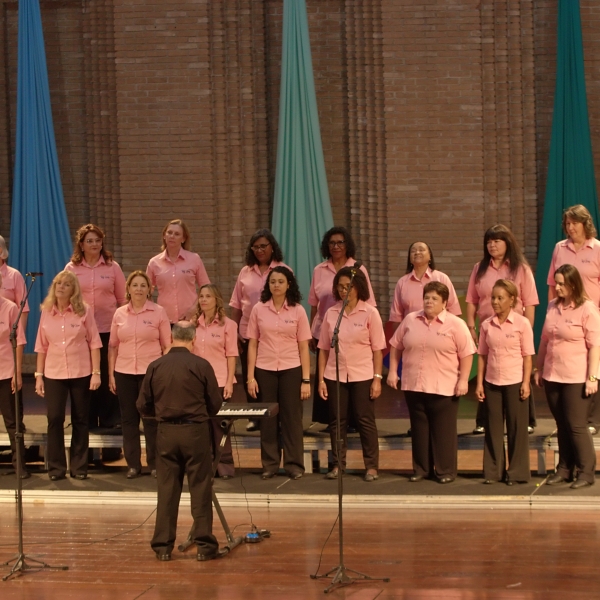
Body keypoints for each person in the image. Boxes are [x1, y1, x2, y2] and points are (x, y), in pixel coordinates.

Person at [137, 321, 223, 561]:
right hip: (195, 432)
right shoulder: (201, 365)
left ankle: (163, 547)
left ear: (171, 338)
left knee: (166, 490)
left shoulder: (155, 366)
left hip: (165, 433)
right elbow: (215, 404)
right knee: (200, 488)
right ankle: (205, 547)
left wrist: (161, 414)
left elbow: (142, 404)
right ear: (194, 340)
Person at [388, 282, 476, 484]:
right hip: (414, 385)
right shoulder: (411, 319)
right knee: (419, 430)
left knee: (443, 432)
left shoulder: (456, 324)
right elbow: (395, 346)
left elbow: (467, 354)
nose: (429, 301)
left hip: (444, 387)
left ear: (444, 303)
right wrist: (392, 371)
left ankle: (445, 471)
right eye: (426, 297)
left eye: (434, 298)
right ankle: (422, 469)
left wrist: (463, 380)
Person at [466, 224, 539, 434]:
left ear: (508, 243)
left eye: (497, 241)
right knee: (488, 372)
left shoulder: (520, 268)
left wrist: (527, 329)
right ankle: (484, 420)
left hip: (515, 330)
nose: (492, 245)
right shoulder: (479, 268)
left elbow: (530, 302)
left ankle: (526, 419)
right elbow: (471, 299)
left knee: (519, 372)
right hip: (488, 329)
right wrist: (471, 326)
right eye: (489, 242)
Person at [535, 264, 600, 489]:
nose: (558, 287)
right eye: (556, 283)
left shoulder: (587, 309)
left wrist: (593, 377)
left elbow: (595, 346)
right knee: (561, 424)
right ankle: (564, 469)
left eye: (562, 284)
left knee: (576, 425)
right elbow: (545, 340)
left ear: (573, 284)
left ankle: (586, 472)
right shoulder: (553, 306)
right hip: (553, 374)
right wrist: (538, 368)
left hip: (576, 377)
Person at [318, 267, 386, 482]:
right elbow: (323, 349)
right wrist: (320, 379)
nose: (344, 290)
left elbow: (378, 349)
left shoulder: (370, 313)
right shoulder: (331, 314)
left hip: (363, 375)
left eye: (348, 286)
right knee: (337, 421)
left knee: (365, 420)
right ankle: (338, 464)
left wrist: (377, 378)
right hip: (335, 375)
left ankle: (371, 466)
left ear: (358, 288)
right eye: (340, 286)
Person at [34, 270, 102, 481]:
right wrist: (38, 375)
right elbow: (41, 346)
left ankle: (79, 467)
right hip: (54, 373)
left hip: (81, 371)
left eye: (66, 284)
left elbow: (94, 343)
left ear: (74, 290)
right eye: (58, 283)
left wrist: (96, 373)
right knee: (54, 418)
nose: (61, 287)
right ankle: (56, 468)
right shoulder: (46, 311)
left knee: (80, 419)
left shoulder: (84, 311)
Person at [246, 266, 311, 479]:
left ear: (288, 284)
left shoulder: (298, 310)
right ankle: (270, 465)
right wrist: (250, 377)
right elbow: (253, 344)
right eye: (272, 281)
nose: (276, 285)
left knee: (292, 419)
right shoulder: (258, 309)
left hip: (291, 369)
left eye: (281, 281)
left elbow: (303, 347)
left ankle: (294, 465)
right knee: (268, 419)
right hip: (264, 369)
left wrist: (306, 380)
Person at [309, 226, 377, 426]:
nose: (336, 246)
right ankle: (333, 422)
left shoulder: (358, 268)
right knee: (329, 376)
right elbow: (314, 304)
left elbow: (369, 301)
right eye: (332, 243)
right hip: (326, 329)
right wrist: (313, 331)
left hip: (354, 330)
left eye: (340, 242)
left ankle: (354, 422)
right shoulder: (319, 270)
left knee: (352, 377)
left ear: (347, 245)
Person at [108, 271, 171, 478]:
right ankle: (133, 465)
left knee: (151, 420)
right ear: (128, 288)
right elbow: (113, 346)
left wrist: (163, 374)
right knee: (129, 421)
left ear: (149, 290)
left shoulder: (158, 312)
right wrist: (111, 375)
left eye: (143, 285)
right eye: (135, 285)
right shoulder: (119, 314)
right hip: (124, 372)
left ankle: (154, 464)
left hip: (150, 374)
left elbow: (167, 346)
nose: (139, 289)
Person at [65, 224, 126, 433]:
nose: (94, 244)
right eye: (89, 241)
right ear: (81, 245)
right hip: (82, 332)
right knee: (85, 375)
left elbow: (122, 299)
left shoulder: (112, 267)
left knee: (108, 372)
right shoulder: (71, 268)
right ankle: (86, 419)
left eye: (98, 240)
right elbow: (65, 298)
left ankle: (110, 419)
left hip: (108, 328)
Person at [475, 280, 535, 485]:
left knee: (517, 429)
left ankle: (517, 473)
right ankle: (493, 472)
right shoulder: (486, 325)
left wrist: (526, 383)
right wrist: (479, 383)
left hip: (515, 382)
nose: (495, 302)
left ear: (512, 300)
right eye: (493, 297)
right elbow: (482, 356)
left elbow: (527, 356)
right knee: (493, 429)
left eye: (500, 298)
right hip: (492, 383)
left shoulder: (522, 324)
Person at [229, 229, 290, 431]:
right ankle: (255, 416)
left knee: (271, 377)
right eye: (255, 247)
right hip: (247, 332)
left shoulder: (283, 270)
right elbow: (236, 304)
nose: (259, 250)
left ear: (272, 247)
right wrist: (234, 332)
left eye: (263, 246)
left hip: (273, 334)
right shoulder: (245, 272)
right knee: (251, 374)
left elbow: (292, 302)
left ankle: (275, 416)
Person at [547, 204, 600, 434]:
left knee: (595, 362)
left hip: (592, 314)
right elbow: (552, 283)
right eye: (567, 224)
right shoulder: (560, 248)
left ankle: (593, 419)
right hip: (566, 314)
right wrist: (553, 310)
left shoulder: (597, 249)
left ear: (585, 224)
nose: (570, 228)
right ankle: (572, 417)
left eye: (574, 223)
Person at [191, 284, 238, 479]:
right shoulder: (193, 325)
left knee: (220, 426)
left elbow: (231, 355)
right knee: (201, 427)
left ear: (216, 300)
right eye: (201, 296)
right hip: (197, 383)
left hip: (219, 381)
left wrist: (229, 382)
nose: (203, 299)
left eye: (208, 296)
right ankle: (206, 467)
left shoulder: (228, 325)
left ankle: (224, 466)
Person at [146, 219, 210, 324]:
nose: (172, 236)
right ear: (164, 235)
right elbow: (146, 292)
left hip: (191, 320)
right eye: (169, 232)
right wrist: (154, 311)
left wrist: (194, 309)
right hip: (164, 321)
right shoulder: (154, 263)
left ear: (183, 239)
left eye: (177, 234)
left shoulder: (194, 259)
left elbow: (207, 289)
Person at [389, 241, 461, 332]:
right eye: (413, 251)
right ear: (410, 259)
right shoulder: (402, 282)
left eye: (421, 250)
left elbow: (453, 310)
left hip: (440, 333)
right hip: (411, 334)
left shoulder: (442, 278)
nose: (417, 252)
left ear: (430, 256)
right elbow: (396, 317)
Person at [0, 272, 28, 478]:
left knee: (13, 422)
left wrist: (17, 372)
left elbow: (19, 341)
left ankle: (19, 466)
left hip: (6, 371)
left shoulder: (10, 308)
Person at [0, 234, 29, 331]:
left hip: (7, 333)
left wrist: (19, 337)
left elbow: (23, 310)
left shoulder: (14, 275)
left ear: (0, 250)